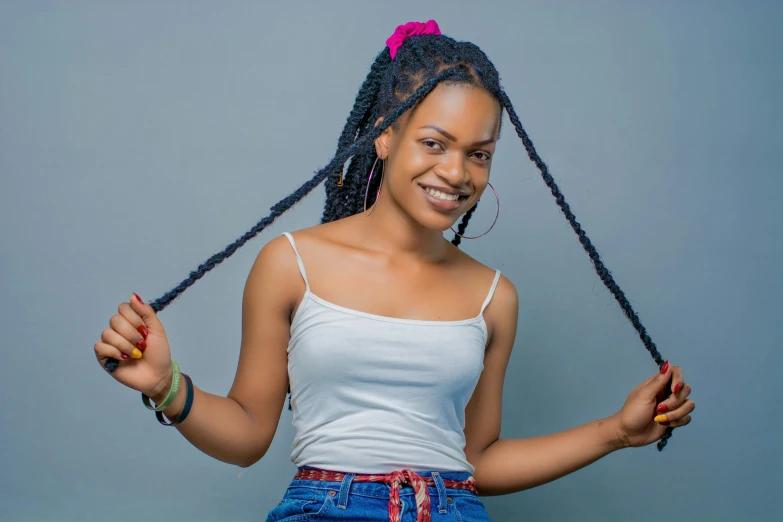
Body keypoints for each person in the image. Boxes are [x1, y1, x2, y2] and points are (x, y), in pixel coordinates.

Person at [93, 20, 695, 522]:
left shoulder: (494, 297)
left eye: (479, 154)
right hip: (324, 509)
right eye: (435, 143)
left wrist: (616, 431)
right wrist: (166, 386)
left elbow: (477, 461)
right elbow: (250, 434)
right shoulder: (290, 264)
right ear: (383, 135)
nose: (457, 173)